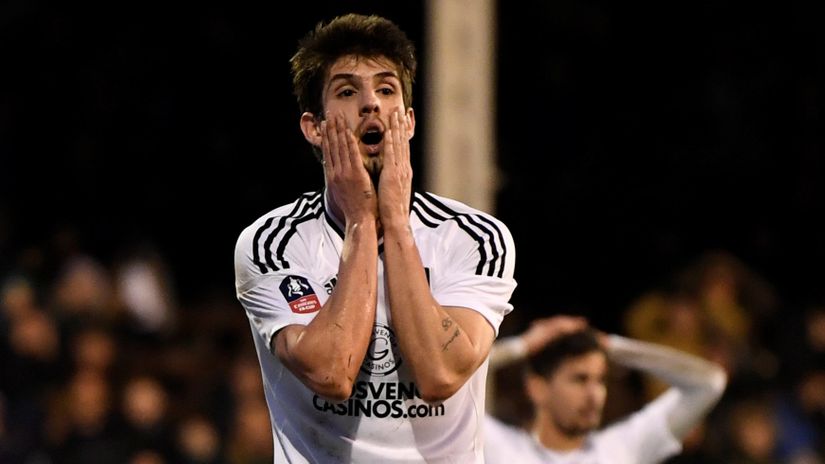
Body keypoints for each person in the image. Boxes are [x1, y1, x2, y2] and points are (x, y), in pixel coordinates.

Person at [233, 13, 517, 463]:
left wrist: (397, 225)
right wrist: (363, 222)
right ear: (314, 127)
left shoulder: (476, 237)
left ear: (406, 121)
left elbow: (441, 374)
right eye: (347, 92)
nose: (371, 104)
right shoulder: (273, 243)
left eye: (386, 90)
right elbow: (331, 371)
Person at [484, 316, 728, 464]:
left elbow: (709, 383)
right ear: (537, 388)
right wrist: (524, 345)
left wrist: (612, 347)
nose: (595, 395)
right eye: (580, 380)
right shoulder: (496, 448)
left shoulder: (622, 449)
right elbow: (456, 382)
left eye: (600, 380)